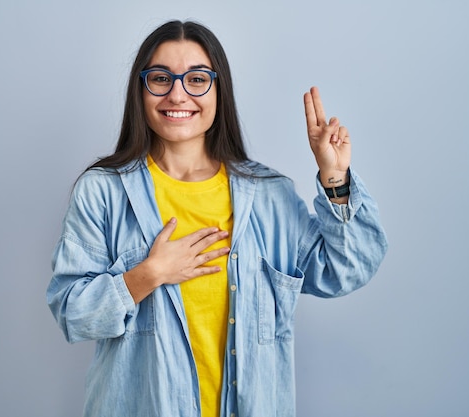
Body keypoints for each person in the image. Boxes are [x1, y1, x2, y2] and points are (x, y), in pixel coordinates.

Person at [47, 19, 388, 417]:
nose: (177, 94)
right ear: (140, 91)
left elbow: (345, 269)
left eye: (196, 79)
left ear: (218, 89)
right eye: (160, 78)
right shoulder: (103, 191)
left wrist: (334, 177)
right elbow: (73, 313)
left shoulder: (269, 195)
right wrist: (147, 275)